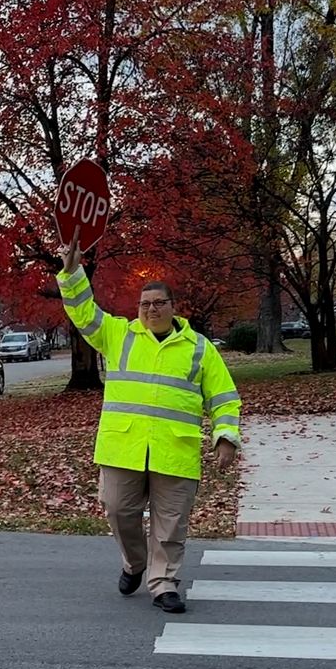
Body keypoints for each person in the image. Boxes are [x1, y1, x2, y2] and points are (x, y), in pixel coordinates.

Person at [57, 237, 241, 614]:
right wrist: (72, 271)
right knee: (117, 510)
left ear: (173, 308)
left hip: (176, 450)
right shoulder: (118, 335)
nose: (151, 309)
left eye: (159, 303)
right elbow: (83, 312)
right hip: (123, 447)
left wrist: (226, 437)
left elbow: (224, 397)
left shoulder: (199, 348)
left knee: (171, 523)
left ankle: (164, 584)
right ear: (137, 308)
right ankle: (135, 563)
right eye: (145, 304)